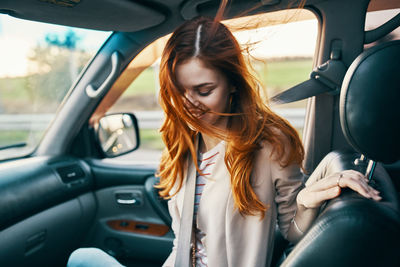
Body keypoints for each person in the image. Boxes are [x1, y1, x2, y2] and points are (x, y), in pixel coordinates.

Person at [67, 13, 381, 267]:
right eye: (179, 92)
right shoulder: (181, 142)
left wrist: (305, 200)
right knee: (82, 257)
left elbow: (291, 231)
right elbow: (183, 244)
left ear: (232, 83)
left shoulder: (269, 143)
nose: (189, 104)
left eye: (204, 91)